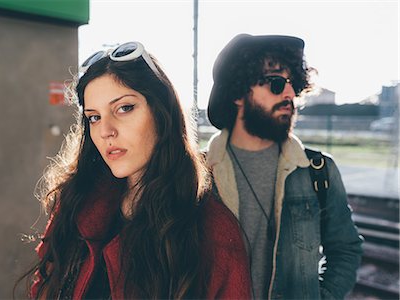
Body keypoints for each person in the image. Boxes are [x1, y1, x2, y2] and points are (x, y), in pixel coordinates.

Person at [18, 41, 252, 299]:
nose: (106, 130)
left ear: (162, 113)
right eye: (94, 117)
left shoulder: (212, 231)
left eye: (124, 108)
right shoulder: (76, 202)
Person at [205, 34, 363, 299]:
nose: (290, 94)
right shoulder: (196, 173)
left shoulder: (317, 171)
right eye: (276, 83)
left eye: (294, 85)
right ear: (238, 93)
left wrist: (323, 296)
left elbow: (345, 248)